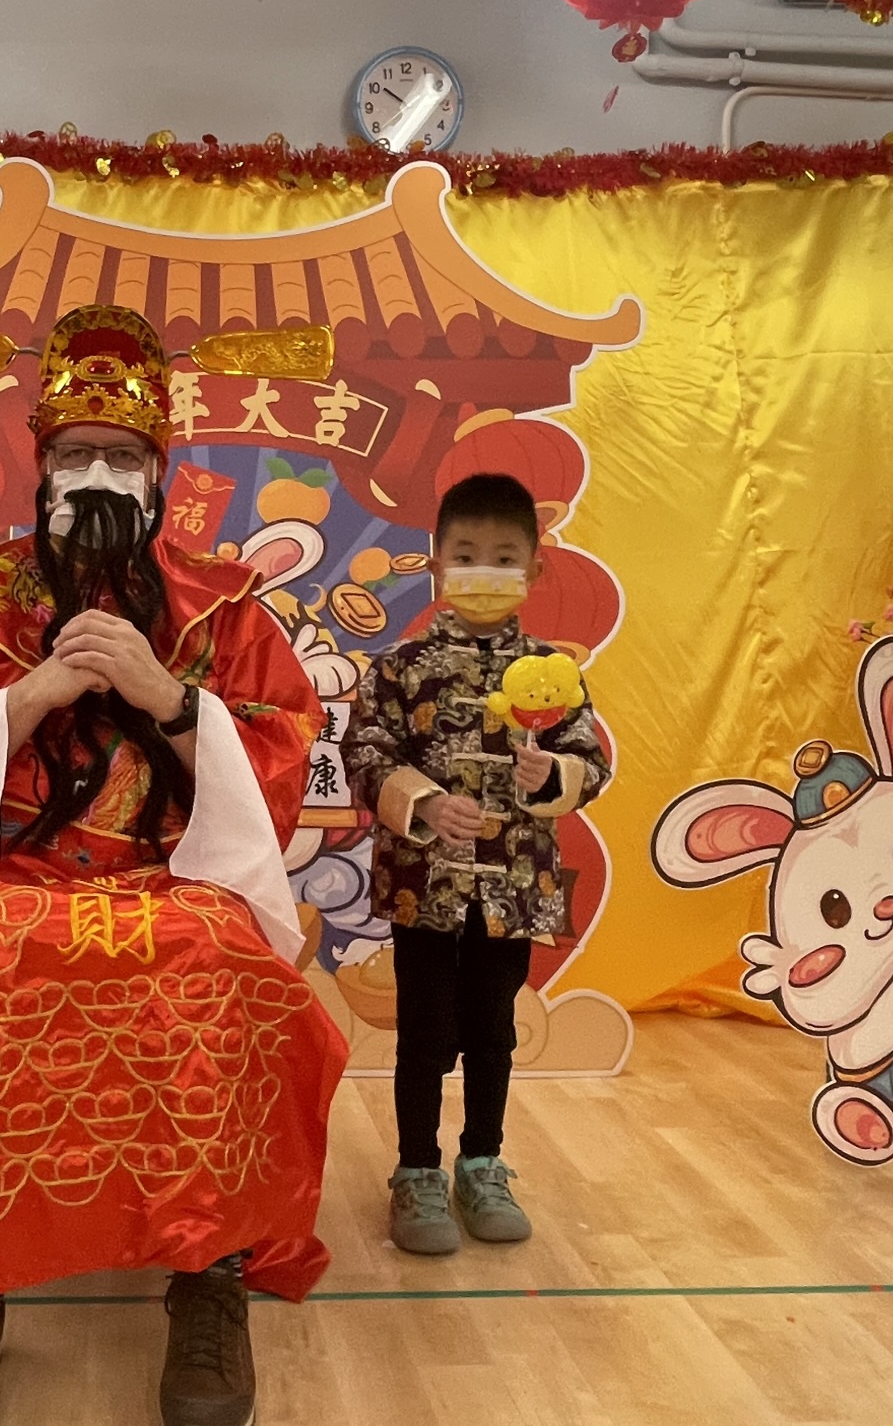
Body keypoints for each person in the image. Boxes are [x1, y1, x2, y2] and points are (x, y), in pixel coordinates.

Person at [0, 305, 348, 1426]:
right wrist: (25, 700)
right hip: (16, 874)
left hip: (178, 875)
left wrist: (172, 700)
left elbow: (287, 740)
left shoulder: (222, 603)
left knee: (219, 968)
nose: (98, 476)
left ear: (160, 472)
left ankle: (206, 1274)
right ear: (42, 468)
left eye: (121, 455)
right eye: (75, 454)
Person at [343, 473, 609, 1256]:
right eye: (464, 556)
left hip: (517, 884)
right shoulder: (399, 667)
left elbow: (591, 762)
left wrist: (553, 774)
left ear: (534, 569)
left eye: (502, 557)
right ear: (436, 563)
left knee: (495, 1031)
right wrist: (423, 803)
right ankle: (417, 1171)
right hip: (423, 885)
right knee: (423, 1032)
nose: (482, 572)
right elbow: (365, 753)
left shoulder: (554, 674)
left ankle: (483, 1163)